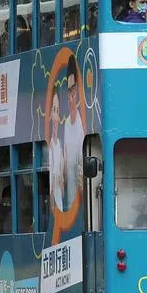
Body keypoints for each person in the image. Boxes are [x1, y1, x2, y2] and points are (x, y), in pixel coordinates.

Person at [62, 56, 85, 209]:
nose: (71, 97)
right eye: (69, 91)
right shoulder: (66, 125)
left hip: (81, 201)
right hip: (68, 202)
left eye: (73, 91)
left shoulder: (82, 124)